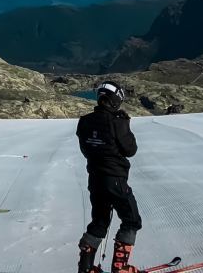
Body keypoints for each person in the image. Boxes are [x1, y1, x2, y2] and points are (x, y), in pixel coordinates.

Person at [76, 82, 141, 273]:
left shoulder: (84, 121)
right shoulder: (117, 121)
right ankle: (120, 268)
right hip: (115, 179)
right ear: (116, 99)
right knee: (131, 221)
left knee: (99, 222)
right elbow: (130, 150)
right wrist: (124, 124)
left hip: (95, 179)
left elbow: (86, 148)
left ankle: (85, 267)